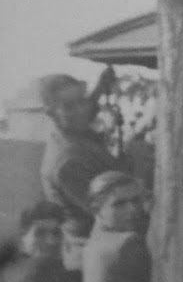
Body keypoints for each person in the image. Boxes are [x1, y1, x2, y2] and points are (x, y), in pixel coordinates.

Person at [32, 72, 124, 226]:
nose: (81, 110)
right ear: (51, 114)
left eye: (82, 101)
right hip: (92, 241)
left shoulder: (71, 131)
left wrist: (100, 88)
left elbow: (85, 108)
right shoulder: (68, 161)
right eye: (69, 107)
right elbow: (111, 214)